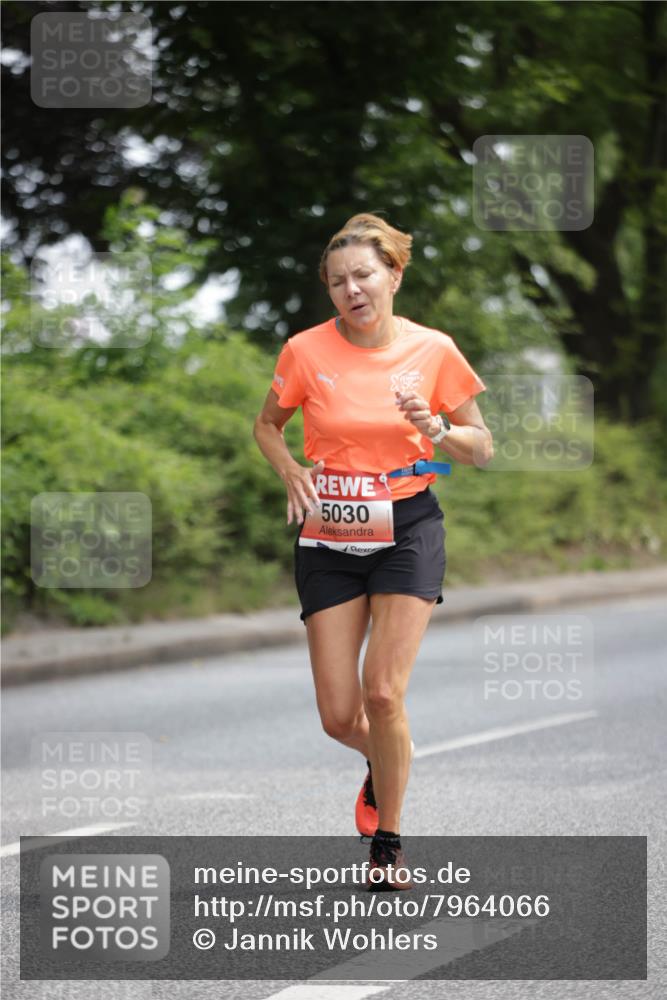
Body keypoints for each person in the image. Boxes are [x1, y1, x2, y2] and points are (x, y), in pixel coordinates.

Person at [253, 213, 493, 890]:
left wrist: (438, 429)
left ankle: (387, 843)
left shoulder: (433, 349)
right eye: (336, 281)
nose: (350, 289)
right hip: (329, 532)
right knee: (339, 717)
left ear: (393, 274)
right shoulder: (304, 351)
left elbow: (481, 448)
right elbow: (267, 424)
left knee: (382, 693)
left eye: (362, 274)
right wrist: (288, 470)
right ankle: (387, 760)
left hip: (408, 525)